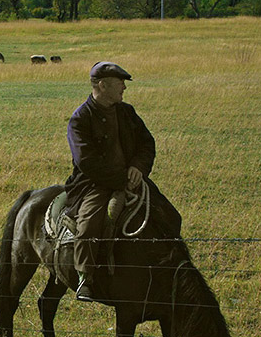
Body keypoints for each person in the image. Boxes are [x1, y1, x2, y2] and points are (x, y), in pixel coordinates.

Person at [65, 61, 177, 302]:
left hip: (132, 178)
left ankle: (171, 267)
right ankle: (85, 277)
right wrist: (120, 180)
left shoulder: (127, 112)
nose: (124, 88)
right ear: (102, 85)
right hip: (94, 184)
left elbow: (147, 143)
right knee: (89, 225)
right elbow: (87, 162)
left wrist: (138, 167)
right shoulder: (80, 119)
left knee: (170, 214)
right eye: (119, 83)